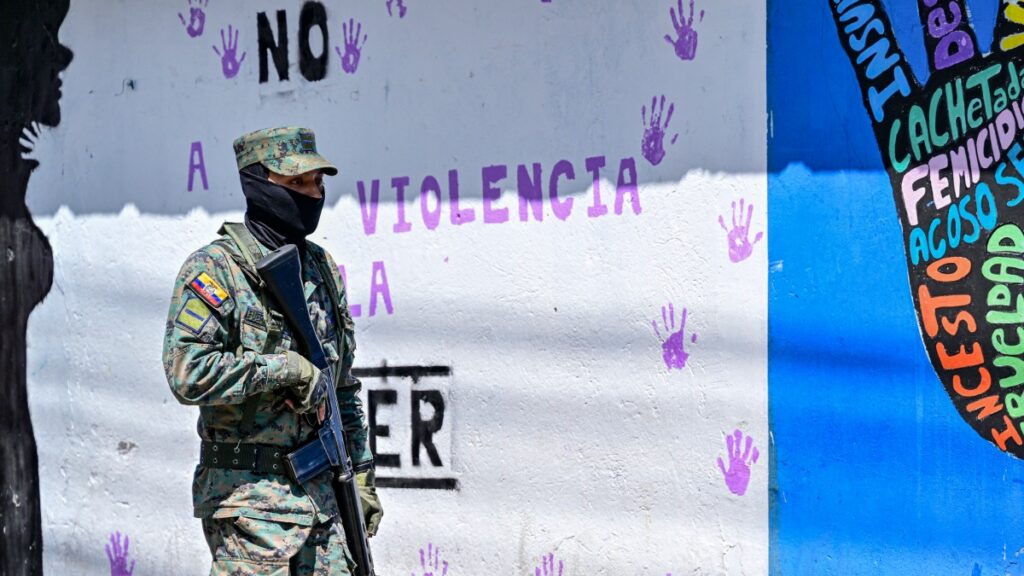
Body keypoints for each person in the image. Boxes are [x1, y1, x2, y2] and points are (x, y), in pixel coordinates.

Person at [162, 126, 382, 575]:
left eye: (318, 182)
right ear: (258, 183)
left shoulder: (320, 268)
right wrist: (284, 370)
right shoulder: (215, 269)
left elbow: (341, 388)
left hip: (324, 505)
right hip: (250, 509)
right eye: (297, 182)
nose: (312, 193)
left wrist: (360, 472)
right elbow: (187, 372)